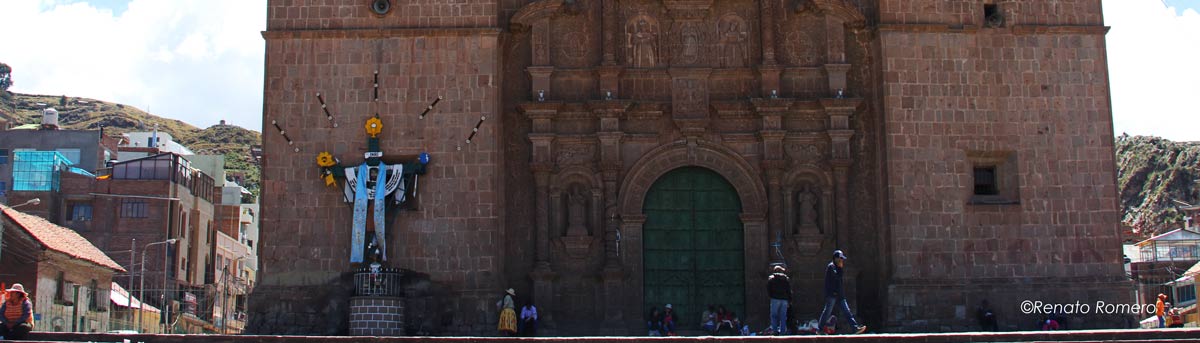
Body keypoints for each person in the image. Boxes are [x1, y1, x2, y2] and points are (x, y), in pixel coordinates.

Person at [818, 250, 867, 334]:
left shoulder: (838, 267)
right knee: (827, 311)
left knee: (847, 311)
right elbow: (836, 278)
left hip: (840, 294)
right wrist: (840, 269)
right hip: (832, 294)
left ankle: (855, 328)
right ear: (836, 258)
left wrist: (840, 268)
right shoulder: (831, 266)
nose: (842, 260)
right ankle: (820, 329)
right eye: (840, 258)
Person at [767, 265, 791, 335]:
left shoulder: (771, 279)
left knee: (774, 316)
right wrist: (789, 300)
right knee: (783, 316)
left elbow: (769, 289)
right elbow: (789, 290)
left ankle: (775, 331)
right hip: (784, 300)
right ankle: (782, 332)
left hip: (775, 299)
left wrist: (771, 296)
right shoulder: (786, 279)